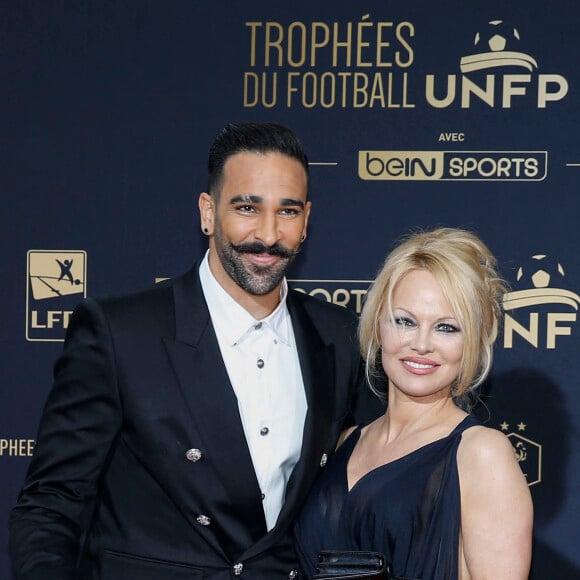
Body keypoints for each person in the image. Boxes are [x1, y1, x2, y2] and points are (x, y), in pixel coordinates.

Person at [9, 122, 375, 580]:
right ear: (207, 211)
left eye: (288, 211)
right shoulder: (121, 332)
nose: (267, 234)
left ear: (306, 221)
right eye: (247, 207)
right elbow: (51, 503)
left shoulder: (340, 335)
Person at [294, 227, 534, 580]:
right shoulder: (345, 442)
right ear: (379, 325)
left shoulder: (481, 454)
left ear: (473, 342)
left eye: (447, 328)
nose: (421, 344)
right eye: (404, 321)